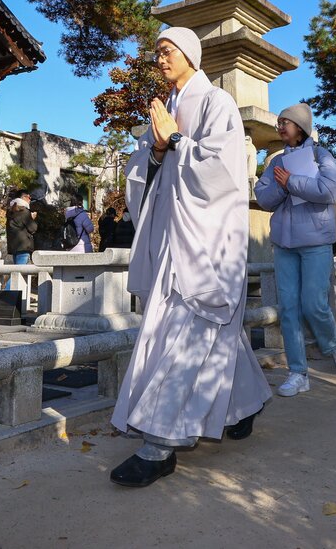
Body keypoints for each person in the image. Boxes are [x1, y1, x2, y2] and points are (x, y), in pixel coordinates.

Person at [109, 27, 269, 488]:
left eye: (167, 51)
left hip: (205, 243)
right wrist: (157, 147)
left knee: (186, 334)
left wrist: (176, 141)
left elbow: (223, 171)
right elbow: (144, 174)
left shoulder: (216, 103)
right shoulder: (169, 107)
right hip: (171, 239)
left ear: (190, 54)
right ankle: (247, 399)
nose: (160, 59)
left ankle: (159, 444)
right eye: (156, 52)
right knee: (210, 333)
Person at [254, 103, 336, 397]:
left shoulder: (320, 155)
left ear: (302, 126)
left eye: (286, 122)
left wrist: (293, 182)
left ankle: (335, 345)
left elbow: (330, 190)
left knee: (314, 304)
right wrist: (283, 187)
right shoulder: (275, 162)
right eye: (279, 123)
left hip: (315, 242)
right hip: (284, 244)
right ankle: (297, 373)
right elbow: (263, 197)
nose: (281, 127)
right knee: (289, 310)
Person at [5, 189, 38, 264]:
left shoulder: (11, 211)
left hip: (14, 246)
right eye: (29, 197)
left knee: (17, 271)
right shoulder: (24, 211)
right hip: (23, 246)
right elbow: (33, 228)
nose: (30, 200)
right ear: (23, 197)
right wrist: (32, 218)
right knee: (20, 272)